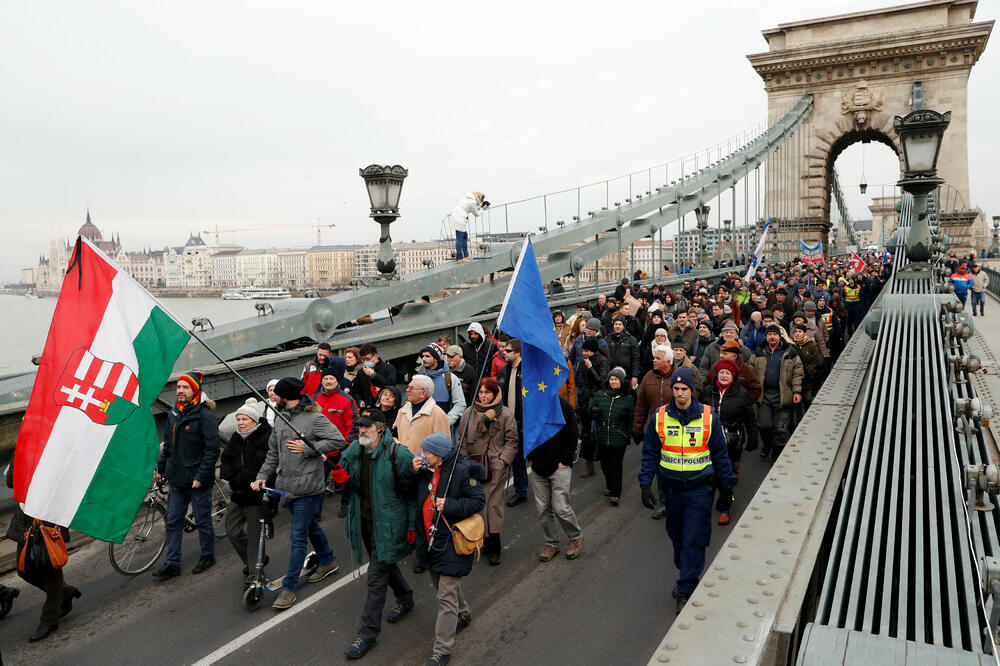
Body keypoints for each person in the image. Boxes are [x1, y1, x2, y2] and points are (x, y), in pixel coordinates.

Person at [637, 366, 735, 612]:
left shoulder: (708, 417)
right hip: (671, 490)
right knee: (677, 538)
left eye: (684, 389)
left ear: (692, 390)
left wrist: (726, 487)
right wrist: (645, 483)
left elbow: (720, 455)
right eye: (676, 388)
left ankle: (686, 588)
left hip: (699, 490)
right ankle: (686, 571)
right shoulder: (659, 417)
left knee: (693, 539)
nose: (680, 393)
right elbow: (650, 453)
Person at [250, 377, 345, 610]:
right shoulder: (280, 417)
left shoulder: (314, 418)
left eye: (276, 394)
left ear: (286, 396)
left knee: (298, 536)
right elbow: (273, 452)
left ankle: (289, 588)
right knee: (310, 526)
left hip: (309, 487)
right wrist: (262, 475)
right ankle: (328, 560)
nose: (273, 397)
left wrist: (309, 448)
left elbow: (338, 440)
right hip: (288, 486)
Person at [403, 432, 486, 666]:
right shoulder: (423, 471)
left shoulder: (461, 472)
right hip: (429, 542)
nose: (423, 455)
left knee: (445, 597)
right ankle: (463, 613)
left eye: (427, 452)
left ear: (439, 456)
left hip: (451, 541)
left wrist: (449, 505)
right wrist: (411, 471)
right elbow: (404, 490)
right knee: (441, 585)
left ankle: (441, 649)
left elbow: (478, 500)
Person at [341, 410, 417, 660]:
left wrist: (412, 526)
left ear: (381, 428)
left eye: (367, 426)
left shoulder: (398, 454)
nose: (361, 430)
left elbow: (413, 492)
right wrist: (341, 481)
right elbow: (352, 486)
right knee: (385, 562)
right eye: (360, 425)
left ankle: (367, 634)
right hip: (365, 522)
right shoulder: (356, 451)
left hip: (389, 525)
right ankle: (405, 597)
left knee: (376, 577)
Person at [153, 371, 221, 581]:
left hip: (197, 480)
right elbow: (168, 446)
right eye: (179, 387)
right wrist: (160, 468)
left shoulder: (205, 416)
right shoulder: (173, 414)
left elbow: (212, 450)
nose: (180, 391)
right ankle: (172, 564)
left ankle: (208, 556)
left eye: (185, 387)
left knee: (202, 520)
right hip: (177, 478)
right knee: (173, 521)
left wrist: (201, 475)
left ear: (195, 391)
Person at [5, 460, 78, 642]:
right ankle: (64, 593)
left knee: (50, 566)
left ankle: (49, 620)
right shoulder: (24, 447)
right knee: (24, 569)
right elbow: (11, 481)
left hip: (50, 511)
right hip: (26, 512)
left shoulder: (58, 446)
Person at [457, 378, 518, 565]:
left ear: (495, 393)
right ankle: (484, 540)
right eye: (481, 392)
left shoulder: (505, 413)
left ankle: (495, 546)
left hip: (496, 467)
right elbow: (462, 439)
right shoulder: (469, 413)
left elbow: (512, 440)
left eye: (488, 392)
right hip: (473, 466)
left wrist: (503, 460)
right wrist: (466, 462)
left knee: (493, 506)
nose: (483, 396)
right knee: (478, 504)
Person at [220, 398, 273, 587]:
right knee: (232, 530)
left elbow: (256, 467)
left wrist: (234, 482)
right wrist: (227, 475)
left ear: (254, 421)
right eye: (238, 419)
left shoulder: (264, 437)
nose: (241, 423)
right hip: (239, 493)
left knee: (254, 537)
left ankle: (254, 575)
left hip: (255, 494)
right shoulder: (236, 437)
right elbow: (226, 458)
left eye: (245, 419)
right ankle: (256, 561)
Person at [528, 396, 583, 562]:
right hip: (538, 466)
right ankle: (551, 543)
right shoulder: (531, 404)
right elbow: (527, 430)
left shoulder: (563, 405)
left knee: (561, 508)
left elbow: (573, 434)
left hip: (559, 466)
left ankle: (575, 537)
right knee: (543, 510)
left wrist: (565, 461)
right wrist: (530, 456)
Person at [701, 359, 758, 494]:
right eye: (721, 372)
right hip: (709, 439)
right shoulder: (708, 391)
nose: (724, 376)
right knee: (709, 475)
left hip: (731, 440)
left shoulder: (742, 393)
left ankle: (725, 500)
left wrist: (753, 436)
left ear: (733, 376)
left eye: (728, 373)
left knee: (726, 474)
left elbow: (749, 418)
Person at [749, 325, 804, 463]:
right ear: (766, 337)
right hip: (764, 396)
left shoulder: (790, 352)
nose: (772, 337)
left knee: (781, 428)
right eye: (769, 334)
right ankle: (767, 444)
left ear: (780, 336)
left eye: (775, 334)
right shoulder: (759, 352)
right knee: (764, 425)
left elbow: (798, 372)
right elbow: (750, 371)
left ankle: (776, 452)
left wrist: (797, 391)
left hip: (784, 396)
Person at [632, 344, 673, 519]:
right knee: (659, 466)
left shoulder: (679, 377)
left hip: (677, 432)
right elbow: (641, 406)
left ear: (668, 362)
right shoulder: (648, 377)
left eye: (658, 358)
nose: (653, 360)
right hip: (656, 430)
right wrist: (638, 428)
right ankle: (663, 503)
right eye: (654, 357)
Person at [590, 367, 635, 505]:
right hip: (602, 436)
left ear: (621, 382)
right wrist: (593, 410)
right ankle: (609, 485)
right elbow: (590, 409)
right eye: (611, 379)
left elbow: (631, 418)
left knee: (616, 466)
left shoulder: (628, 398)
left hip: (619, 438)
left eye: (616, 379)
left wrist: (630, 432)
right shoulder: (600, 395)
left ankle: (616, 493)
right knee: (605, 465)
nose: (613, 381)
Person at [498, 340, 529, 507]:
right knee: (516, 459)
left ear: (518, 353)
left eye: (508, 350)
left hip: (525, 422)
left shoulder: (528, 370)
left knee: (531, 456)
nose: (504, 352)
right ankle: (520, 491)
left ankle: (547, 489)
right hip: (509, 423)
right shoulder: (504, 371)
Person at [575, 337, 609, 479]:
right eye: (583, 350)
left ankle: (605, 463)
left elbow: (602, 382)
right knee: (587, 434)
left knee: (599, 433)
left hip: (598, 401)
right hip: (586, 400)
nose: (584, 353)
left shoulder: (603, 361)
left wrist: (590, 368)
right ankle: (590, 467)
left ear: (593, 350)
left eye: (587, 351)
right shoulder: (583, 361)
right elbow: (582, 380)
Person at [395, 375, 451, 457]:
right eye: (408, 387)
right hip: (401, 462)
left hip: (424, 464)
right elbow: (395, 435)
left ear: (423, 393)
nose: (407, 390)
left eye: (411, 388)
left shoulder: (438, 414)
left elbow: (444, 447)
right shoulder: (402, 411)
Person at [419, 345, 466, 427]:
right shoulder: (420, 378)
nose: (423, 359)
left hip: (442, 429)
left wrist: (446, 421)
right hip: (421, 427)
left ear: (436, 358)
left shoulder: (450, 378)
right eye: (423, 356)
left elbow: (460, 404)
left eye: (427, 356)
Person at [450, 191, 488, 262]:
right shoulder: (472, 202)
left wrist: (480, 206)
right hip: (460, 218)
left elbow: (471, 208)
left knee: (464, 236)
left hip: (457, 217)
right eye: (481, 200)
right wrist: (483, 209)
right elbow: (476, 214)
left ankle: (466, 256)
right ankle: (460, 258)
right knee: (459, 238)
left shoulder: (466, 199)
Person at [606, 318, 640, 390]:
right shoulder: (607, 339)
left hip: (627, 375)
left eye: (620, 324)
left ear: (624, 326)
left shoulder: (632, 340)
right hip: (611, 375)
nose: (617, 326)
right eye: (616, 324)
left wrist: (635, 376)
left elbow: (636, 359)